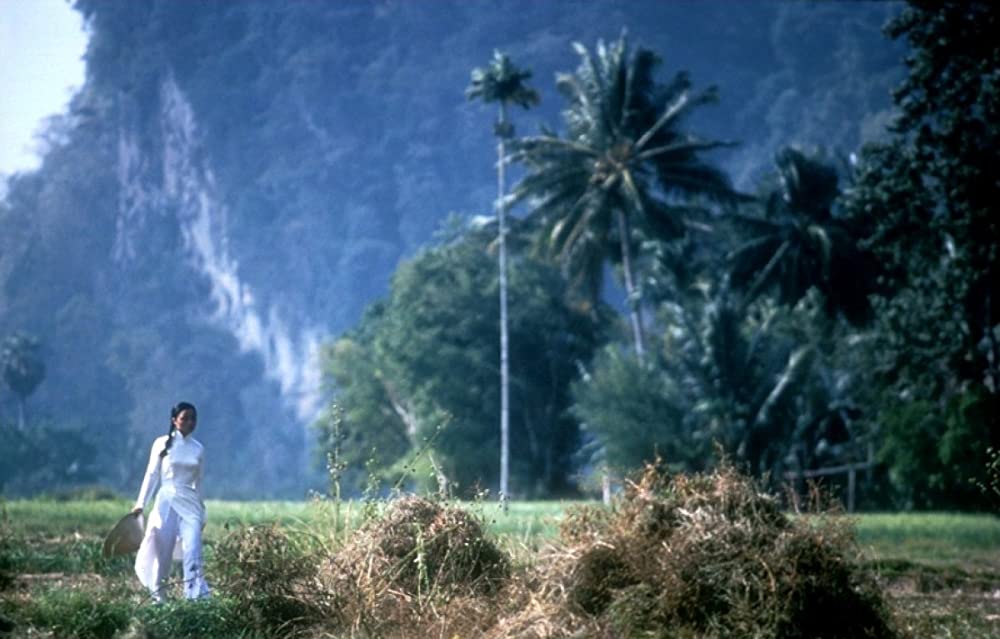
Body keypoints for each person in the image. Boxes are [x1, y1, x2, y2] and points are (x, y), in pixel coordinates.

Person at [131, 401, 210, 602]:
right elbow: (152, 475)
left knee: (192, 549)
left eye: (193, 419)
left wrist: (203, 511)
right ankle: (159, 596)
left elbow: (199, 483)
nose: (190, 422)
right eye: (185, 418)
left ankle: (194, 598)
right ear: (174, 420)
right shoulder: (161, 443)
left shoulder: (198, 449)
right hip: (166, 502)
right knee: (162, 550)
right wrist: (141, 503)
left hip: (190, 504)